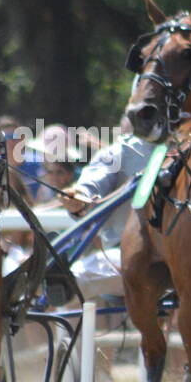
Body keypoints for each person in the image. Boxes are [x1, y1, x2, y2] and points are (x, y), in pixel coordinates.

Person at [50, 117, 155, 298]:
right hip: (124, 255)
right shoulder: (118, 152)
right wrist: (79, 196)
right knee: (65, 285)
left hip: (181, 257)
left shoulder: (188, 148)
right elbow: (92, 182)